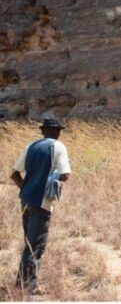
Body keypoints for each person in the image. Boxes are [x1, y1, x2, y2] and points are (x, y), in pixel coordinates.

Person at [9, 118, 71, 295]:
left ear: (43, 132)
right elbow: (66, 175)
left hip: (26, 200)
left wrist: (26, 187)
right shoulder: (59, 147)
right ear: (57, 132)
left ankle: (21, 285)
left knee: (29, 243)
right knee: (35, 246)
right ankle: (28, 291)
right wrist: (54, 178)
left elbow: (14, 174)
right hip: (42, 202)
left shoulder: (31, 146)